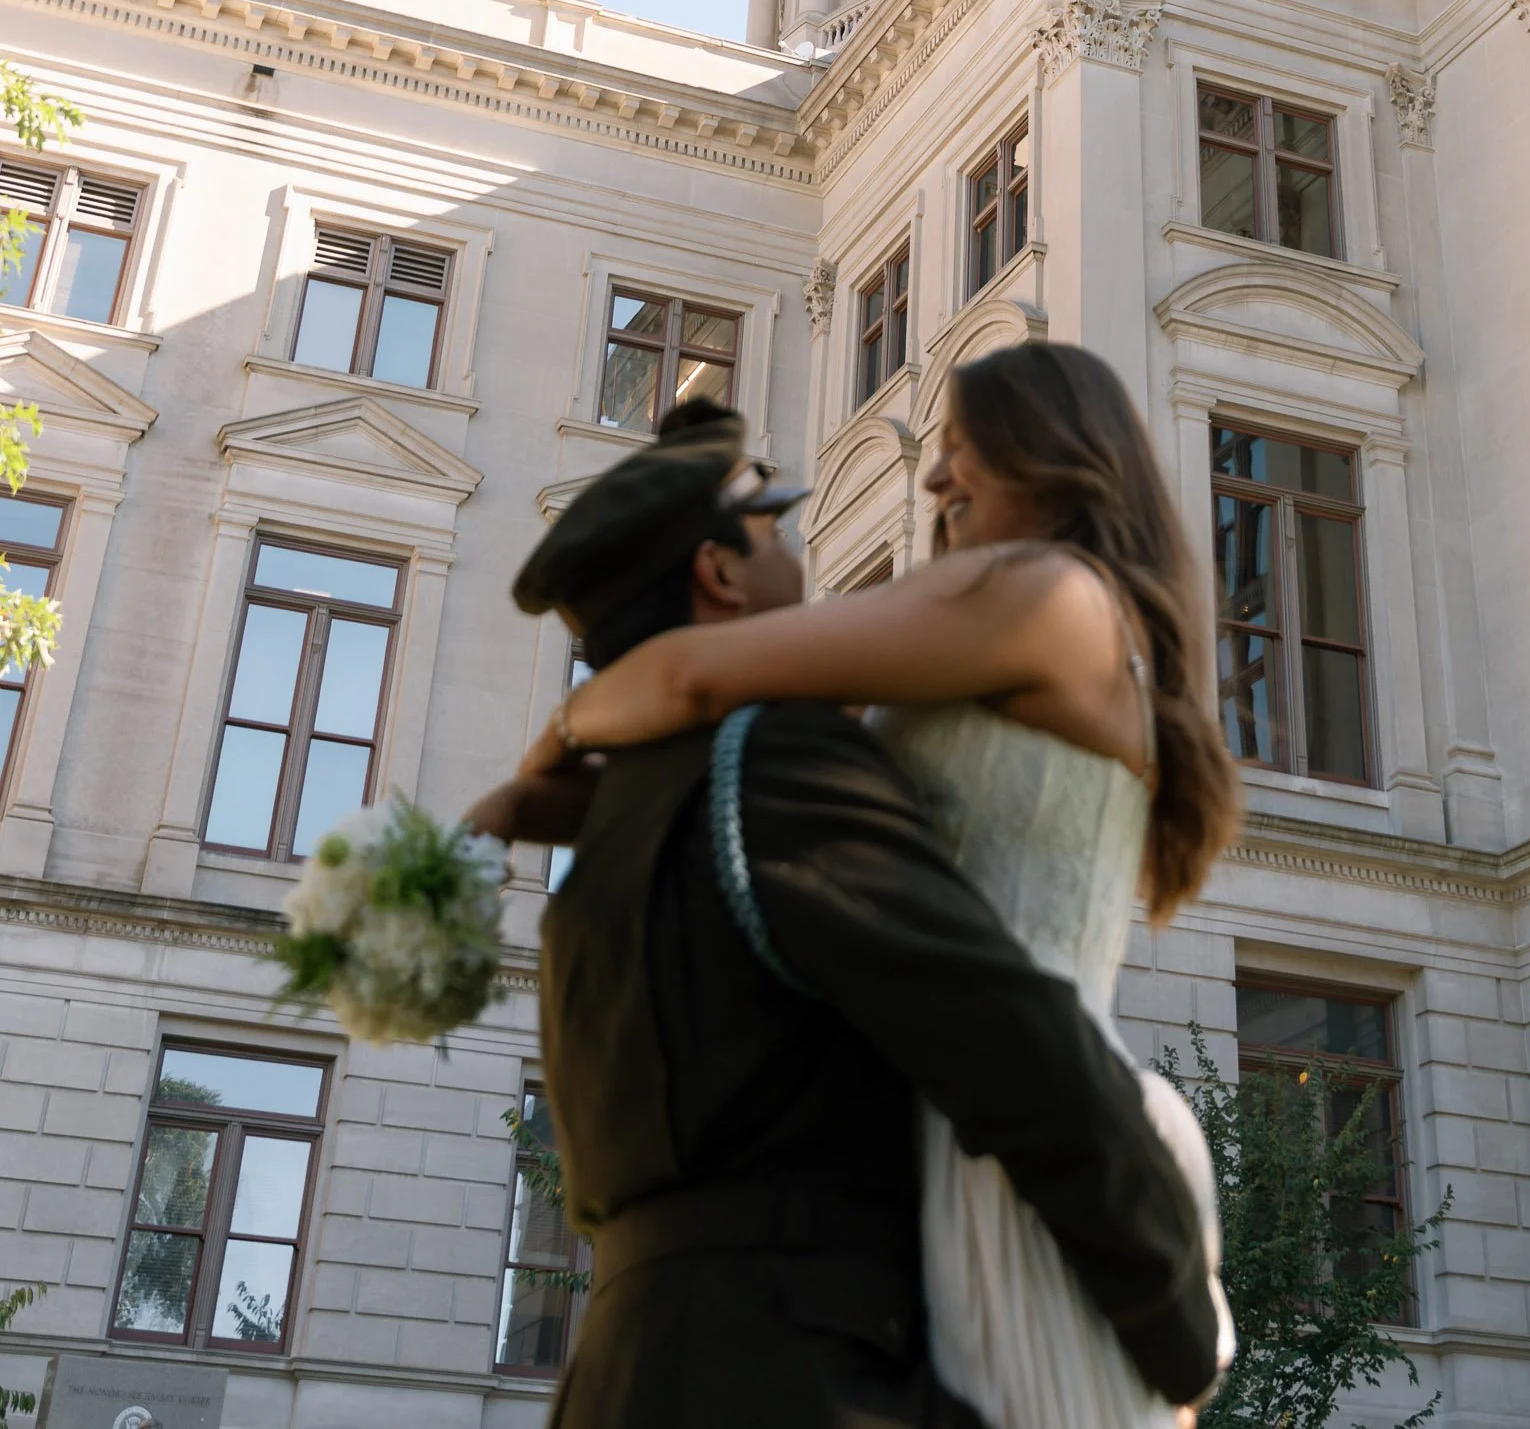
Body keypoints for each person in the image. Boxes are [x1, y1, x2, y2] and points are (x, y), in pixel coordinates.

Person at [511, 342, 1242, 1429]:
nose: (933, 478)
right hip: (997, 1139)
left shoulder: (1040, 591)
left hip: (1035, 1134)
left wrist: (551, 751)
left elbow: (695, 676)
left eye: (962, 448)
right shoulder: (782, 752)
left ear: (1056, 457)